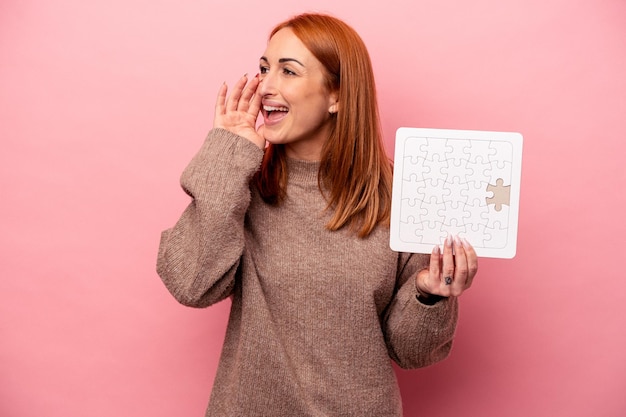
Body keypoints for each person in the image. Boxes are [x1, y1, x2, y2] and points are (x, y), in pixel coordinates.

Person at [156, 12, 478, 417]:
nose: (265, 87)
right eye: (263, 68)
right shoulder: (242, 183)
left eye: (288, 71)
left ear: (336, 96)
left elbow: (411, 353)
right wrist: (228, 154)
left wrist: (430, 294)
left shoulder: (400, 195)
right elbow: (190, 283)